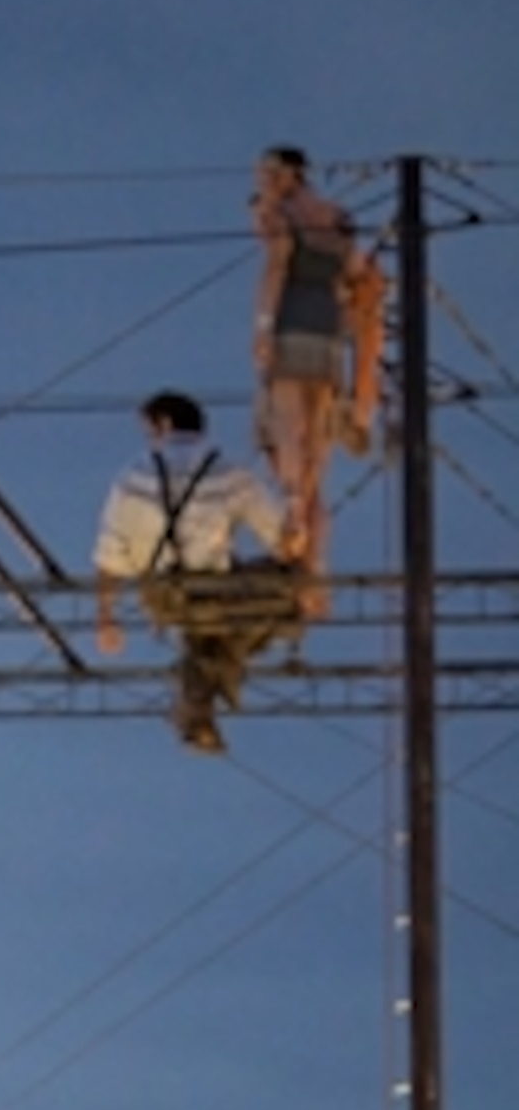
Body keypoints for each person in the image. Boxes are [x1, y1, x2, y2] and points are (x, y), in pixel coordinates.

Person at [93, 392, 301, 755]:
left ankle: (199, 696)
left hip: (162, 594)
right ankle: (203, 686)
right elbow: (283, 544)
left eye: (150, 431)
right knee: (290, 596)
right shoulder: (231, 473)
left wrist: (106, 617)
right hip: (219, 592)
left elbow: (110, 555)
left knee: (207, 634)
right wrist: (297, 506)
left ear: (164, 425)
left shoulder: (132, 476)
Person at [251, 147, 384, 605]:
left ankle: (294, 511)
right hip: (330, 336)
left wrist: (263, 327)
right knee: (318, 440)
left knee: (289, 428)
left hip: (290, 326)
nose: (263, 182)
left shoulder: (280, 215)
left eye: (267, 173)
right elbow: (357, 274)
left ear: (289, 173)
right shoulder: (338, 218)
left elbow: (276, 267)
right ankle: (312, 550)